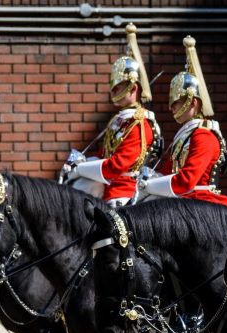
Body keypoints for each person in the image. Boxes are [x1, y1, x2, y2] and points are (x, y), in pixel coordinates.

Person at [64, 23, 161, 208]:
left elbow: (118, 165)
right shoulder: (120, 121)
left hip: (126, 194)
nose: (114, 89)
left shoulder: (139, 124)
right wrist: (79, 163)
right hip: (107, 188)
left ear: (133, 88)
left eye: (119, 86)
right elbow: (103, 156)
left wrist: (80, 169)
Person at [138, 36, 227, 207]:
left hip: (201, 204)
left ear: (193, 102)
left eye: (177, 102)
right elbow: (169, 171)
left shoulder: (203, 136)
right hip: (182, 201)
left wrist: (150, 186)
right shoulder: (187, 135)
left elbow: (187, 181)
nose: (171, 107)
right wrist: (151, 177)